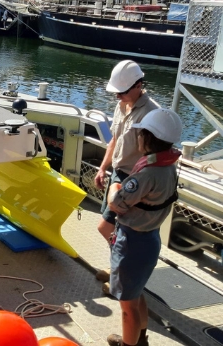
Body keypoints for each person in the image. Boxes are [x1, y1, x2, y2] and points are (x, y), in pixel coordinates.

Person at [105, 108, 183, 346]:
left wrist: (115, 187)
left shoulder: (147, 174)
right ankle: (140, 340)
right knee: (137, 294)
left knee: (127, 308)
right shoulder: (169, 168)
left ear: (147, 138)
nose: (138, 137)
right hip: (150, 240)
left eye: (141, 134)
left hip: (132, 243)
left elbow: (116, 204)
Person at [93, 60, 159, 290]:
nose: (117, 97)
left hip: (135, 180)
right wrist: (103, 168)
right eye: (116, 93)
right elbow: (114, 141)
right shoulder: (121, 106)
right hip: (118, 175)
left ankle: (122, 277)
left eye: (121, 92)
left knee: (111, 228)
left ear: (138, 85)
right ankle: (119, 271)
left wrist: (142, 187)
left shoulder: (153, 114)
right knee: (113, 228)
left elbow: (155, 156)